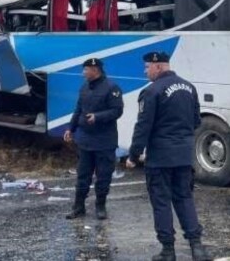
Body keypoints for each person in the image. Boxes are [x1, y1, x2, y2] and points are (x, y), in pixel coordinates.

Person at [126, 51, 212, 261]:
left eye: (147, 67)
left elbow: (143, 127)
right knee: (184, 198)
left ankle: (168, 251)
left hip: (160, 158)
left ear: (158, 66)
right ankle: (197, 248)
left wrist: (133, 155)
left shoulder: (152, 91)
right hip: (184, 155)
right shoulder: (189, 87)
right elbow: (196, 121)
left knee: (161, 202)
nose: (145, 71)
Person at [64, 57, 124, 220]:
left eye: (86, 70)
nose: (83, 73)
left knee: (103, 176)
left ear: (95, 70)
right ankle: (78, 207)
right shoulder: (84, 87)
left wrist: (98, 117)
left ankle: (100, 206)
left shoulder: (112, 88)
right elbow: (78, 110)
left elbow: (117, 111)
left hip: (104, 141)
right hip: (85, 141)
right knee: (83, 175)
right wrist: (71, 128)